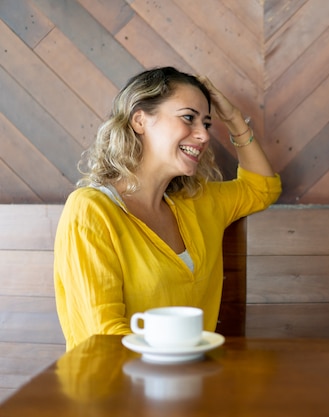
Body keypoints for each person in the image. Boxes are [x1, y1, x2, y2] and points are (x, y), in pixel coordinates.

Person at [54, 67, 281, 350]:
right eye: (189, 118)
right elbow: (104, 334)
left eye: (207, 124)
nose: (204, 135)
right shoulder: (91, 210)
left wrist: (234, 118)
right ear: (140, 120)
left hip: (187, 382)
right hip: (114, 386)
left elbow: (262, 189)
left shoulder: (196, 203)